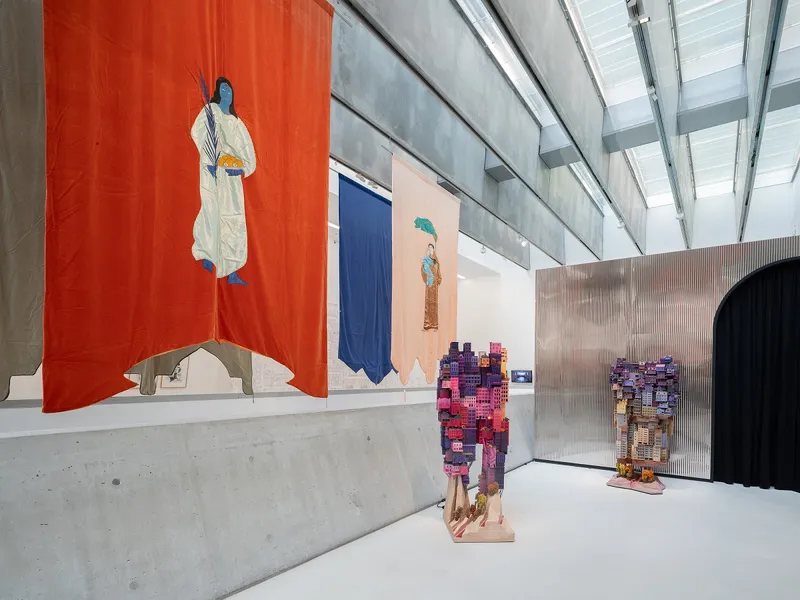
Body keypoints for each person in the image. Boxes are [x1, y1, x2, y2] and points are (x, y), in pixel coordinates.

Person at [190, 77, 256, 285]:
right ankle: (208, 255)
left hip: (231, 178)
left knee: (234, 218)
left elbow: (248, 151)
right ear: (218, 92)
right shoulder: (211, 111)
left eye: (230, 88)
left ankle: (232, 271)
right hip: (212, 172)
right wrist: (210, 160)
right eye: (224, 88)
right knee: (211, 210)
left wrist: (243, 168)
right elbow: (198, 132)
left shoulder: (237, 123)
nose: (228, 91)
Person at [421, 243, 442, 330]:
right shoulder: (426, 259)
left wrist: (438, 278)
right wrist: (428, 276)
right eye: (429, 248)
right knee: (428, 302)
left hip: (435, 284)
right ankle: (427, 324)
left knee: (434, 303)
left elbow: (438, 270)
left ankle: (434, 324)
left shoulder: (436, 260)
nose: (430, 249)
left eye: (431, 248)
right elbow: (423, 269)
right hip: (429, 283)